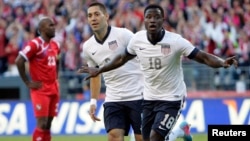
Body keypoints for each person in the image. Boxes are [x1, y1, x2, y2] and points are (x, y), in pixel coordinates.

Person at [78, 4, 238, 141]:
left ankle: (176, 132)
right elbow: (121, 59)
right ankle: (180, 132)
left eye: (156, 17)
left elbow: (202, 57)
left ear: (163, 21)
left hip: (171, 98)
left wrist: (222, 62)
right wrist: (100, 70)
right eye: (149, 17)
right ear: (144, 21)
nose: (152, 20)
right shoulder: (137, 40)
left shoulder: (175, 41)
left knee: (155, 138)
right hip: (148, 98)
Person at [79, 2, 143, 141]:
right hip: (114, 98)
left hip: (138, 95)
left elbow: (143, 54)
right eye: (90, 16)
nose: (93, 18)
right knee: (113, 136)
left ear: (106, 16)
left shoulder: (123, 35)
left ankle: (177, 132)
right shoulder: (88, 47)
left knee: (142, 138)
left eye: (97, 14)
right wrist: (93, 102)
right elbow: (95, 75)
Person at [15, 17, 60, 141]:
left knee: (48, 124)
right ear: (42, 29)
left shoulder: (56, 45)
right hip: (40, 88)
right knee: (42, 123)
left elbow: (57, 60)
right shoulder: (35, 44)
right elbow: (19, 60)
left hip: (53, 87)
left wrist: (57, 77)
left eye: (53, 24)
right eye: (50, 25)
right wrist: (27, 82)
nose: (54, 27)